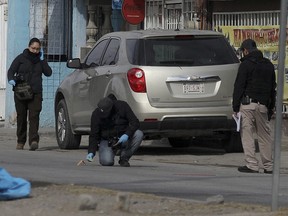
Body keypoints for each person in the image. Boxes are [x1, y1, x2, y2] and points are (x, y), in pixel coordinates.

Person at [232, 39, 276, 174]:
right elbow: (272, 88)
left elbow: (239, 86)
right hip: (263, 105)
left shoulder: (245, 65)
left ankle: (252, 164)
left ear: (246, 51)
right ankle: (268, 166)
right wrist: (270, 108)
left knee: (247, 134)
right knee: (265, 136)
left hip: (247, 105)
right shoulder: (268, 65)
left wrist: (235, 106)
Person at [7, 38, 52, 151]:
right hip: (21, 92)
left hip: (36, 92)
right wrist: (11, 79)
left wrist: (43, 60)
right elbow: (11, 70)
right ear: (29, 47)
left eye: (38, 49)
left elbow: (48, 73)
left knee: (34, 116)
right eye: (33, 48)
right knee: (21, 117)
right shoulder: (21, 58)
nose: (35, 51)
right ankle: (20, 141)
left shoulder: (40, 60)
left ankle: (33, 141)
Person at [86, 95, 143, 167]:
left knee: (138, 134)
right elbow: (94, 134)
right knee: (107, 162)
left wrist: (127, 134)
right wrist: (91, 151)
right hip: (107, 140)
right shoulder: (96, 114)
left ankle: (124, 158)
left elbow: (135, 122)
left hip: (123, 136)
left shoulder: (123, 106)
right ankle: (111, 152)